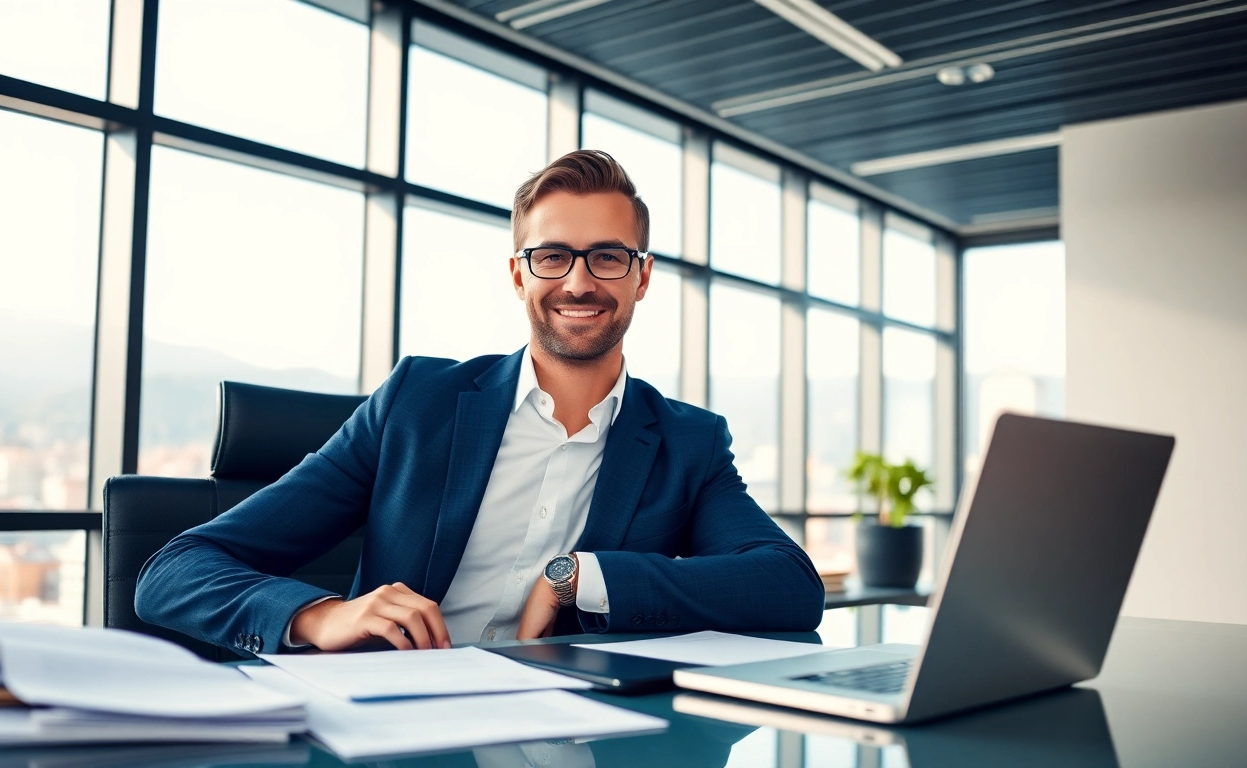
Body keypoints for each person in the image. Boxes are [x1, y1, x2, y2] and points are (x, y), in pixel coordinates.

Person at [135, 150, 824, 655]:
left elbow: (789, 585)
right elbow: (174, 572)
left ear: (642, 278)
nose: (579, 282)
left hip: (576, 736)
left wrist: (582, 575)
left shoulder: (687, 442)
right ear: (517, 274)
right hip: (394, 736)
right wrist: (317, 615)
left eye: (608, 257)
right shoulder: (416, 405)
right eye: (552, 257)